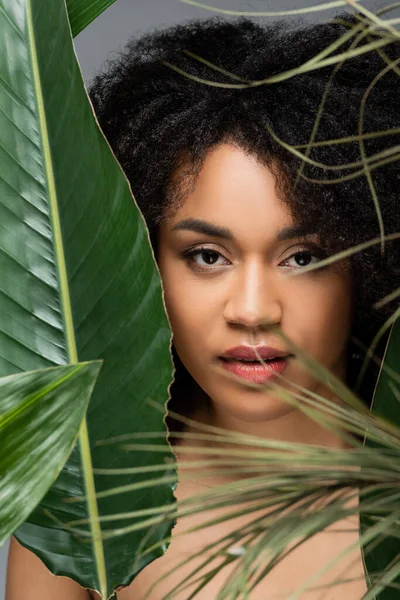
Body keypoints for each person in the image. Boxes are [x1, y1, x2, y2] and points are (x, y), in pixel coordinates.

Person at [6, 12, 400, 600]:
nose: (251, 310)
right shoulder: (84, 495)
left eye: (303, 258)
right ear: (141, 256)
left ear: (368, 262)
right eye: (208, 256)